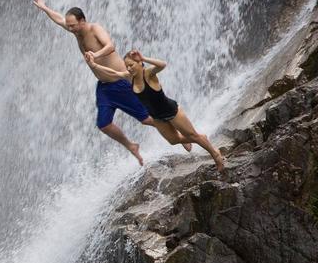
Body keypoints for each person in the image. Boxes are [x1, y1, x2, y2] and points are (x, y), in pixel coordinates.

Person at [32, 0, 160, 166]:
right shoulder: (75, 32)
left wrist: (95, 54)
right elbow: (58, 19)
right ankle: (132, 146)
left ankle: (176, 129)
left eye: (73, 26)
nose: (70, 29)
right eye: (69, 26)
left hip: (120, 82)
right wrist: (44, 7)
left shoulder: (94, 29)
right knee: (104, 124)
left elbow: (110, 46)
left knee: (146, 119)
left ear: (82, 21)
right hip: (104, 87)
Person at [87, 49, 226, 171]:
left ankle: (215, 154)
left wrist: (144, 58)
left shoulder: (149, 74)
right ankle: (202, 139)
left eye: (132, 65)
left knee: (193, 136)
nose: (129, 68)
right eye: (127, 66)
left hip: (172, 112)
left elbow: (162, 65)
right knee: (174, 140)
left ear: (139, 63)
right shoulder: (129, 77)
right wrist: (94, 65)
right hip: (157, 117)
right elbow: (113, 72)